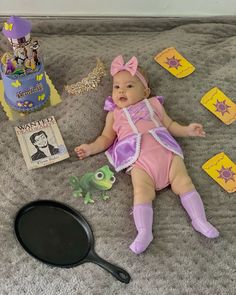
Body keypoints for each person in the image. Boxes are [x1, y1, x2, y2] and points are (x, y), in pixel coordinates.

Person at [74, 55, 219, 255]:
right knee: (142, 192)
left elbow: (170, 125)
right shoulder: (113, 115)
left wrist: (187, 130)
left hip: (166, 152)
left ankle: (199, 220)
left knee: (184, 182)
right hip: (139, 160)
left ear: (146, 92)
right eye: (116, 87)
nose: (121, 90)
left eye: (130, 86)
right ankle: (144, 232)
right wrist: (90, 148)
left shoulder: (154, 105)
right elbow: (106, 138)